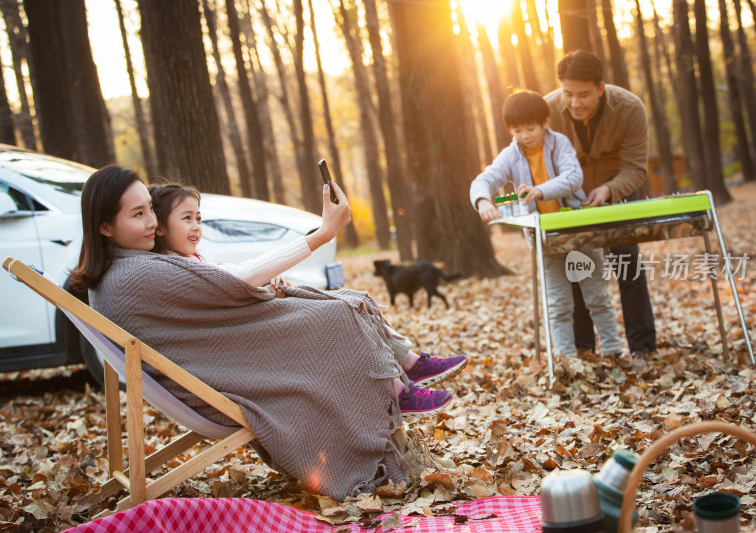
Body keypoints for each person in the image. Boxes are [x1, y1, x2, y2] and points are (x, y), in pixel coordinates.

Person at [70, 166, 465, 500]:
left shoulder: (120, 273)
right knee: (336, 316)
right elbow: (231, 283)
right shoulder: (134, 275)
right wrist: (322, 234)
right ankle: (396, 395)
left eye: (150, 211)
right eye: (138, 215)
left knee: (331, 310)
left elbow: (214, 288)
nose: (152, 223)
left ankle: (400, 384)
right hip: (218, 377)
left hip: (214, 361)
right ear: (105, 226)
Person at [146, 181, 469, 387]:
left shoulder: (194, 260)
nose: (196, 226)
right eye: (186, 218)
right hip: (249, 349)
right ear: (159, 228)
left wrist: (265, 283)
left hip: (256, 331)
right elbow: (236, 281)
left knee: (345, 301)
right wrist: (321, 235)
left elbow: (233, 274)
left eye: (199, 218)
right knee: (339, 310)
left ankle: (410, 365)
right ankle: (400, 384)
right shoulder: (173, 268)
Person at [470, 90, 623, 357]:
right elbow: (485, 179)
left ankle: (613, 351)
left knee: (596, 296)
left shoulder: (560, 143)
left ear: (545, 123)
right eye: (517, 130)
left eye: (531, 128)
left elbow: (573, 177)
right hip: (545, 239)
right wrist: (483, 201)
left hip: (578, 232)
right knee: (558, 303)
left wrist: (540, 190)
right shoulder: (510, 155)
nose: (525, 135)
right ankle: (566, 358)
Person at [545, 50, 657, 356]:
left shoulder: (630, 108)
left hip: (617, 188)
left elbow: (636, 168)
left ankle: (643, 346)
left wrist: (608, 190)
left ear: (601, 88)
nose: (575, 103)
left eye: (584, 95)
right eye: (568, 94)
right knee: (576, 267)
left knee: (627, 262)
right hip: (569, 196)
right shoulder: (548, 110)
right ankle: (583, 349)